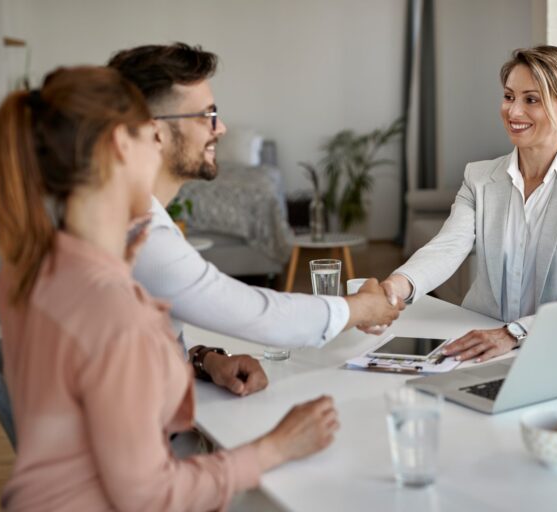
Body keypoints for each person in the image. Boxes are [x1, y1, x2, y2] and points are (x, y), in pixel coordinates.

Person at [0, 66, 339, 511]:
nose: (159, 155)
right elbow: (151, 496)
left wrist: (201, 358)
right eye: (151, 139)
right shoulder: (111, 307)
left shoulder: (34, 267)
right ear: (120, 145)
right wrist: (275, 448)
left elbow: (89, 382)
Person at [107, 43, 402, 396]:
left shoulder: (130, 212)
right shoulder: (142, 236)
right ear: (156, 132)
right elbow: (259, 314)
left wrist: (204, 361)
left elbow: (143, 342)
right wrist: (362, 308)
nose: (221, 128)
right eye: (207, 115)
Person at [382, 45, 557, 363]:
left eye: (531, 99)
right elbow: (447, 248)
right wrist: (394, 286)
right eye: (509, 96)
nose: (513, 112)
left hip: (552, 349)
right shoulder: (479, 177)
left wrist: (514, 333)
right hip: (477, 341)